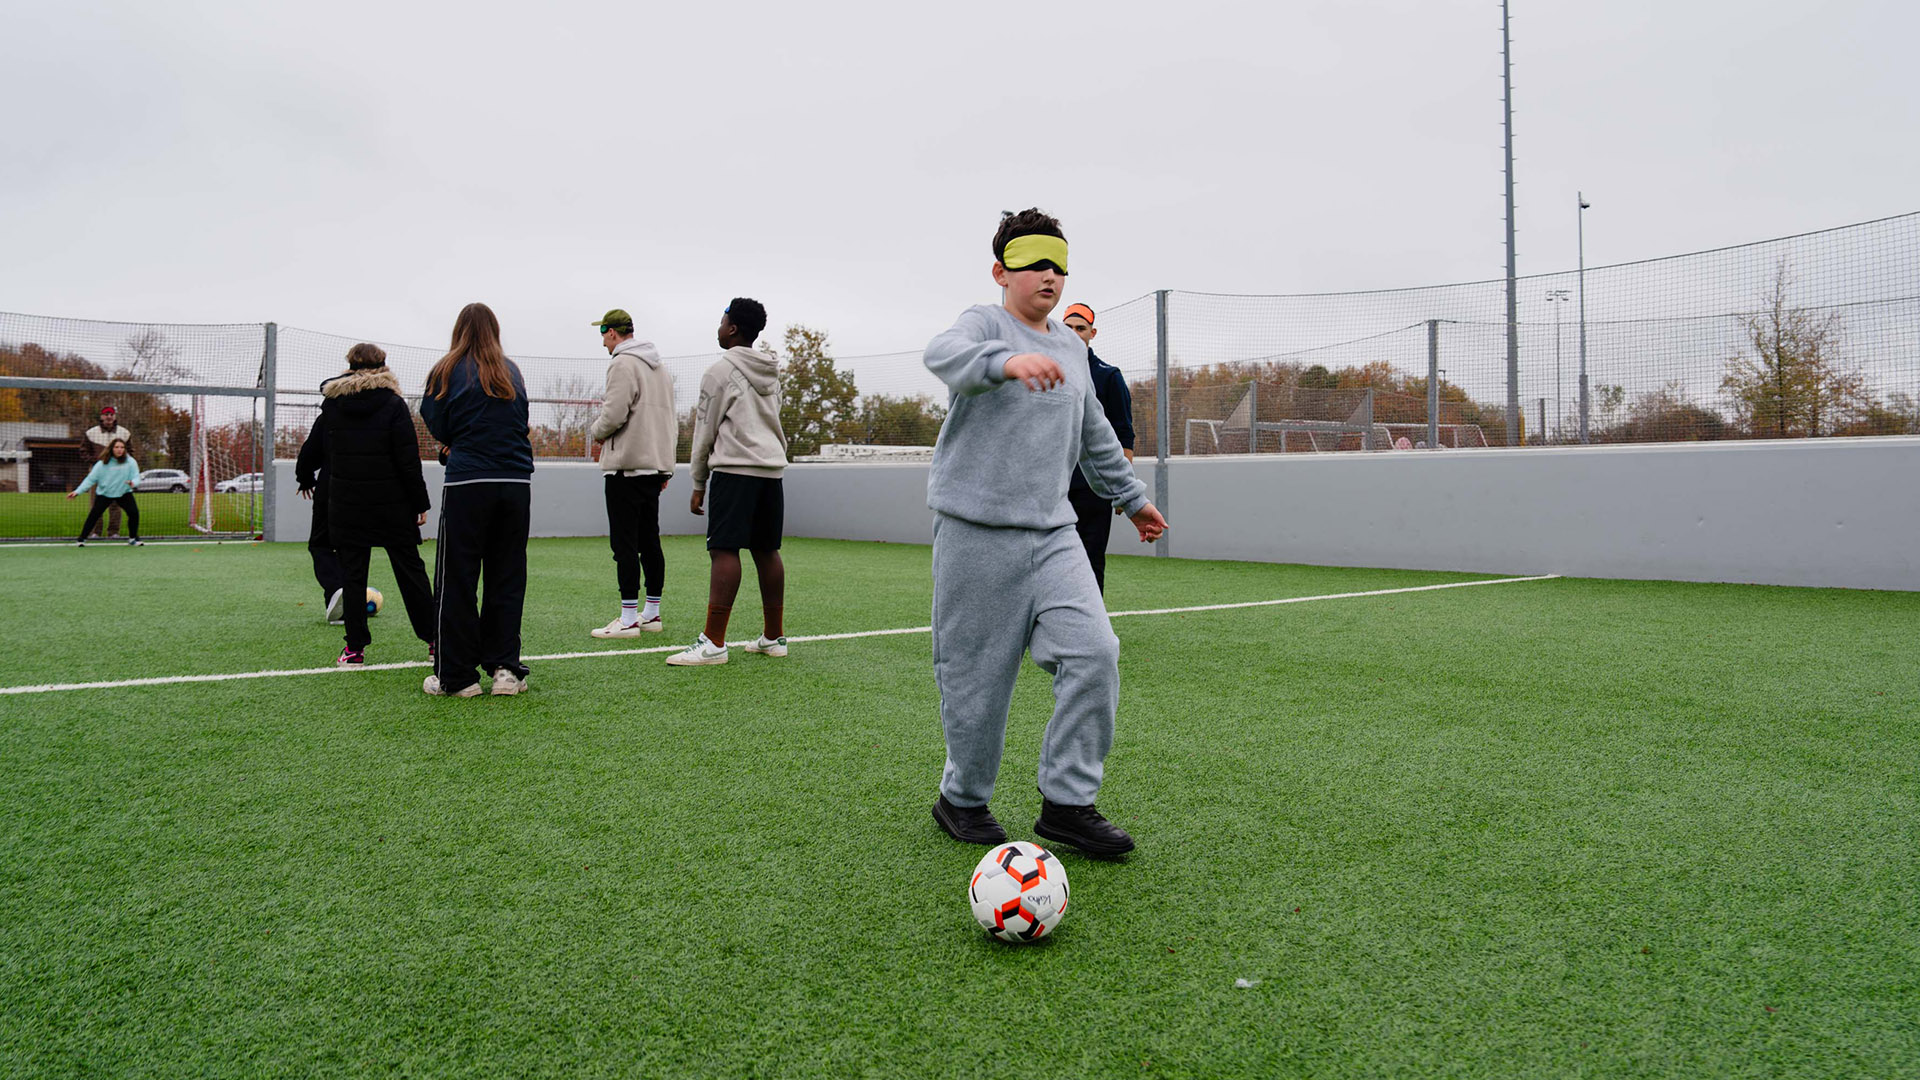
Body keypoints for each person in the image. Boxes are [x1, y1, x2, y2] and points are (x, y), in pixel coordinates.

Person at [921, 208, 1167, 858]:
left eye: (1058, 264)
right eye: (1034, 263)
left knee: (1094, 653)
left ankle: (1067, 804)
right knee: (976, 679)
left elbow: (1096, 436)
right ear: (1002, 271)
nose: (1049, 275)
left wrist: (1132, 499)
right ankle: (963, 798)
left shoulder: (1073, 348)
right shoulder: (983, 322)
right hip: (976, 531)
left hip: (1053, 533)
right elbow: (941, 355)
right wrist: (1006, 363)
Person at [419, 302, 534, 698]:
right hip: (515, 483)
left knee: (457, 579)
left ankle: (458, 677)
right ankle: (505, 671)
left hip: (468, 482)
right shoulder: (511, 370)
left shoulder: (446, 369)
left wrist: (455, 443)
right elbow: (521, 421)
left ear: (459, 331)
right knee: (506, 576)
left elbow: (435, 420)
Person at [668, 297, 788, 667]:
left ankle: (714, 643)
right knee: (766, 550)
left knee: (724, 550)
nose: (718, 328)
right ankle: (773, 637)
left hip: (735, 471)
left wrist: (698, 480)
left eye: (722, 321)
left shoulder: (718, 372)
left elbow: (704, 430)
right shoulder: (772, 371)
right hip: (771, 472)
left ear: (733, 328)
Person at [304, 343, 437, 667]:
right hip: (392, 504)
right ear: (383, 365)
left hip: (346, 504)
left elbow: (320, 447)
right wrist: (420, 502)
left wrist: (304, 473)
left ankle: (354, 650)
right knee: (411, 571)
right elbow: (407, 459)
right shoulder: (393, 404)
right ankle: (436, 640)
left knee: (352, 575)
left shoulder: (332, 404)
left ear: (350, 364)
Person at [586, 308, 676, 639]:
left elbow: (613, 414)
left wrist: (595, 431)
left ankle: (627, 619)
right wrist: (665, 465)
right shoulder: (660, 368)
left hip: (626, 467)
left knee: (623, 543)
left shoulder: (622, 363)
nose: (602, 342)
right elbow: (668, 420)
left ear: (612, 332)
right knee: (649, 540)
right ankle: (651, 613)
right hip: (653, 466)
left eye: (603, 334)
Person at [1059, 303, 1136, 593]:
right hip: (1053, 484)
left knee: (1090, 558)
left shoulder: (1108, 375)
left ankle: (1090, 633)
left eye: (1081, 328)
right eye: (1068, 328)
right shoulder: (1045, 369)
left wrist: (1122, 489)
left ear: (1092, 333)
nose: (1075, 334)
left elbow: (1124, 434)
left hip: (1093, 489)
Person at [294, 383, 347, 625]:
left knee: (321, 543)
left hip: (331, 487)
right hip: (371, 491)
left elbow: (309, 453)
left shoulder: (328, 415)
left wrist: (305, 479)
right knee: (355, 546)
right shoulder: (389, 408)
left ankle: (337, 590)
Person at [69, 437, 143, 546]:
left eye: (122, 447)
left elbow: (136, 477)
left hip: (124, 493)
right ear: (111, 449)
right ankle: (81, 539)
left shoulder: (130, 461)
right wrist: (77, 492)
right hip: (104, 494)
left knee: (134, 513)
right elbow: (90, 479)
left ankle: (133, 539)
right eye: (117, 447)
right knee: (94, 515)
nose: (119, 450)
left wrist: (133, 483)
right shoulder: (101, 464)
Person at [83, 405, 133, 539]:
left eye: (111, 414)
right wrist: (97, 462)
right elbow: (83, 452)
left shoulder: (124, 433)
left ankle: (113, 532)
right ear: (101, 416)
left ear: (115, 416)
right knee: (96, 503)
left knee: (116, 503)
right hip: (97, 474)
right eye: (106, 414)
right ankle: (95, 532)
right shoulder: (91, 433)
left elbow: (130, 453)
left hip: (118, 474)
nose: (109, 416)